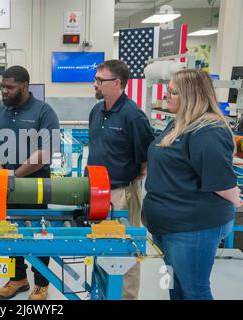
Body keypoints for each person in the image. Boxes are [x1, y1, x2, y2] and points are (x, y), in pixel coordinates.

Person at [143, 69, 243, 300]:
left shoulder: (208, 131)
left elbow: (222, 182)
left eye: (173, 92)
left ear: (192, 96)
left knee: (194, 290)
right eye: (167, 91)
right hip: (167, 225)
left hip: (191, 228)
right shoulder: (179, 123)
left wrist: (235, 198)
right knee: (174, 286)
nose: (166, 96)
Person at [0, 65, 60, 300]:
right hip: (5, 185)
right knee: (8, 231)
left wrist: (15, 175)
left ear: (25, 86)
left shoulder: (44, 111)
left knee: (39, 231)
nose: (4, 91)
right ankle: (17, 277)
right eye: (2, 87)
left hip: (36, 183)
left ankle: (41, 282)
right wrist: (1, 173)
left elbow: (47, 151)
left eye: (10, 87)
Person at [87, 59, 154, 299]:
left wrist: (130, 183)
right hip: (95, 193)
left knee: (125, 251)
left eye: (99, 80)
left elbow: (146, 157)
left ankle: (125, 296)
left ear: (117, 83)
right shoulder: (96, 111)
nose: (94, 84)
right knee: (100, 247)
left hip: (121, 194)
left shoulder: (133, 116)